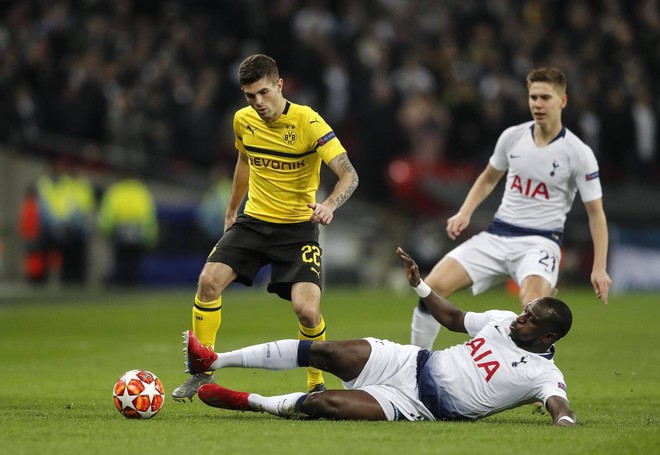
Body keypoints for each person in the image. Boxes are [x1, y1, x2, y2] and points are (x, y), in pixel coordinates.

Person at [179, 247, 577, 426]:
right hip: (411, 361)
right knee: (326, 351)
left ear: (547, 337)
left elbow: (560, 405)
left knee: (325, 405)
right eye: (525, 311)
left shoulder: (543, 375)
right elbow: (455, 317)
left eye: (529, 319)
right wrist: (421, 286)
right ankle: (213, 360)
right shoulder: (502, 319)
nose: (519, 318)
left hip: (416, 404)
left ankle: (248, 402)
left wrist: (564, 423)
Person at [172, 54, 359, 401]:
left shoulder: (309, 122)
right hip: (254, 222)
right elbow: (244, 160)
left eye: (263, 93)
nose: (258, 102)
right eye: (249, 95)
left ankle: (316, 381)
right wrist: (232, 210)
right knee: (208, 282)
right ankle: (201, 371)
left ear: (279, 86)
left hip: (297, 228)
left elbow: (350, 173)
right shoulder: (243, 121)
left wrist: (329, 204)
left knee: (307, 310)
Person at [410, 67, 612, 349]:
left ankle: (535, 385)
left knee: (535, 312)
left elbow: (596, 213)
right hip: (498, 235)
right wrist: (465, 211)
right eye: (533, 97)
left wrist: (599, 267)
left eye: (545, 97)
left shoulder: (578, 153)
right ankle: (417, 365)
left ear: (562, 101)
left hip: (540, 242)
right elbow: (488, 177)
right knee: (430, 288)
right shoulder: (513, 137)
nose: (538, 104)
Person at [97, 173, 159, 285]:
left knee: (120, 264)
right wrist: (150, 235)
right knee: (134, 265)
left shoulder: (115, 191)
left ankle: (120, 290)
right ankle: (133, 290)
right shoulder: (141, 191)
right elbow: (149, 216)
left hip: (118, 234)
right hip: (138, 234)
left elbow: (108, 214)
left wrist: (106, 230)